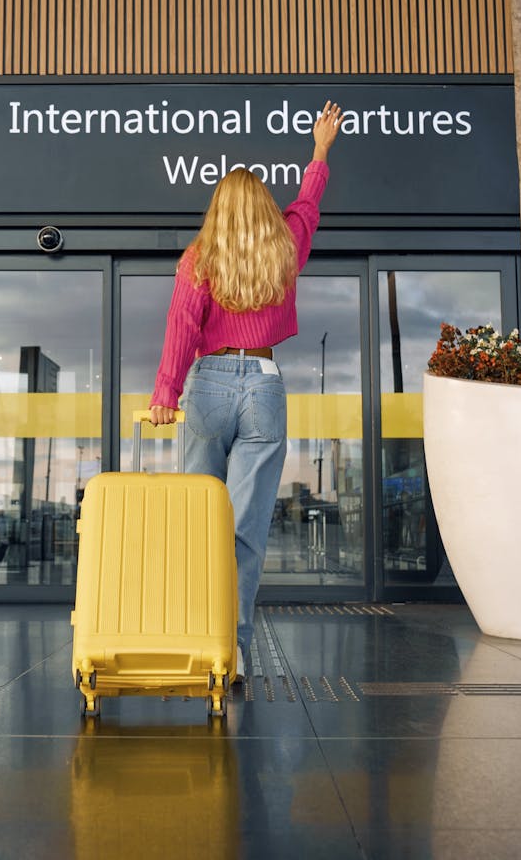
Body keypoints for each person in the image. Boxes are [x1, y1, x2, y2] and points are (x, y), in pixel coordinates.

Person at [149, 100, 344, 681]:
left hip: (207, 383)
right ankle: (230, 653)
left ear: (218, 210)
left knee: (197, 519)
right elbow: (307, 206)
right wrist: (319, 150)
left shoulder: (199, 258)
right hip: (263, 382)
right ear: (262, 209)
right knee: (245, 528)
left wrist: (165, 393)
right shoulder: (285, 248)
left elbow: (181, 329)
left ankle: (194, 637)